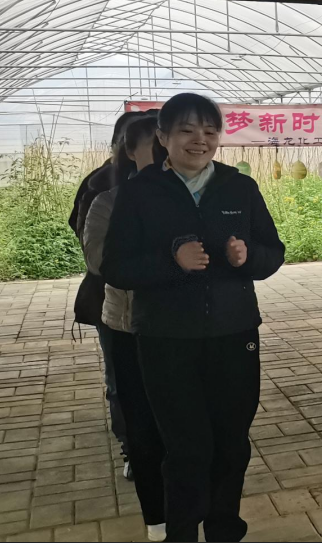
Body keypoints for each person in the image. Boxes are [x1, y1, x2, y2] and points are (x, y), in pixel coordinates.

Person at [101, 93, 285, 543]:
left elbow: (273, 253)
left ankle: (224, 531)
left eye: (209, 130)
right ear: (163, 137)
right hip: (166, 337)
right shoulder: (140, 192)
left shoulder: (239, 187)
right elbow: (115, 267)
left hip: (234, 332)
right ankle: (181, 533)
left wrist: (248, 257)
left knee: (231, 443)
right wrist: (172, 262)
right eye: (186, 130)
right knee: (186, 448)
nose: (199, 140)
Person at [81, 115, 167, 542]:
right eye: (155, 145)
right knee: (138, 412)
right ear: (130, 152)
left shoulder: (196, 196)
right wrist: (171, 260)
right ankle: (157, 514)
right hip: (128, 323)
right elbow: (100, 261)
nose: (165, 153)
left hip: (186, 327)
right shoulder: (108, 201)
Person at [72, 110, 144, 477]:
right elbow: (95, 252)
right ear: (124, 146)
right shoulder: (103, 187)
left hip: (167, 310)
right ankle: (132, 447)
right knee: (123, 378)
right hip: (116, 302)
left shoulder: (179, 185)